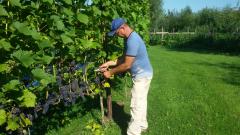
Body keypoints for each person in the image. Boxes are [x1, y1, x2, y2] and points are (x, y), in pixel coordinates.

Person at [99, 18, 153, 135]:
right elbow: (124, 58)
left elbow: (127, 64)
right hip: (145, 74)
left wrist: (110, 72)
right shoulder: (129, 38)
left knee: (136, 105)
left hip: (142, 76)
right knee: (141, 102)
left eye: (116, 32)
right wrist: (108, 63)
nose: (116, 35)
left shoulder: (132, 40)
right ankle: (142, 125)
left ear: (122, 28)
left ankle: (133, 132)